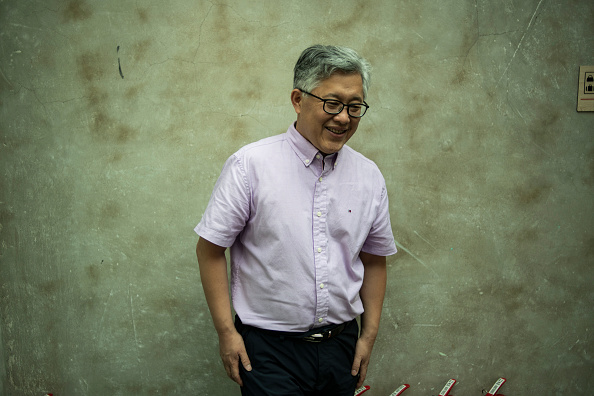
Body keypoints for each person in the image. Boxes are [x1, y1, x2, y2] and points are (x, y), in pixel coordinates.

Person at [195, 44, 397, 396]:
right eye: (332, 104)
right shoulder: (250, 166)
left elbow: (374, 259)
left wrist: (368, 336)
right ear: (297, 99)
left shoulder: (369, 176)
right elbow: (210, 250)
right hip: (269, 351)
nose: (344, 118)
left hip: (341, 348)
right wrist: (227, 333)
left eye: (354, 107)